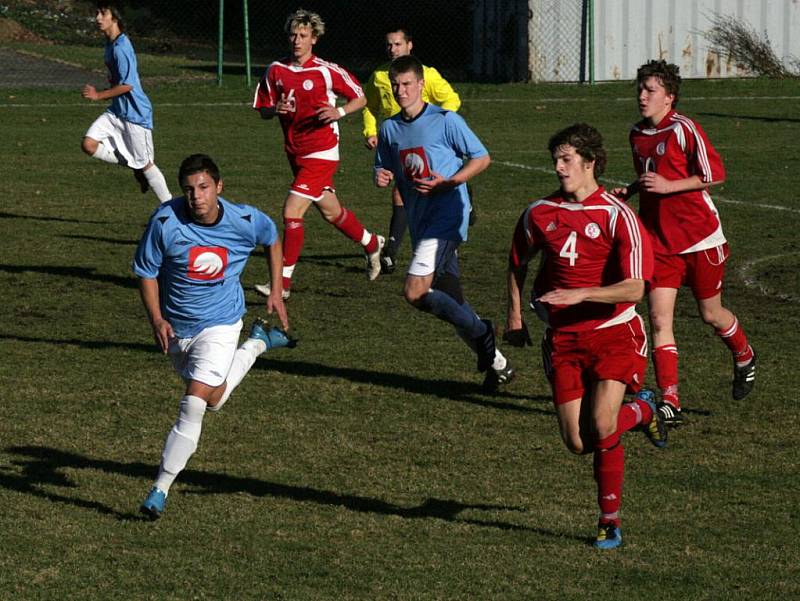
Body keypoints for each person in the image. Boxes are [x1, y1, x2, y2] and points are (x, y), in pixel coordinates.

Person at [505, 123, 666, 549]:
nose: (559, 169)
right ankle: (645, 410)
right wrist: (515, 316)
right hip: (563, 339)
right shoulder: (539, 212)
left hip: (614, 332)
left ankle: (609, 519)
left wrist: (583, 293)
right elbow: (517, 262)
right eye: (555, 161)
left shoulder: (619, 216)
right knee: (578, 443)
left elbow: (636, 287)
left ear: (590, 164)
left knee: (601, 422)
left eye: (567, 160)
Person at [134, 154, 292, 519]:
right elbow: (145, 271)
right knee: (214, 398)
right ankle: (257, 344)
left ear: (219, 187)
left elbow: (271, 238)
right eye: (189, 189)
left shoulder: (244, 220)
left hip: (222, 323)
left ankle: (160, 488)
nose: (196, 197)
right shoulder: (164, 222)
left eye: (204, 187)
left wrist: (276, 288)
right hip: (177, 329)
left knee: (194, 400)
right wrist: (157, 319)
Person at [613, 60, 756, 426]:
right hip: (659, 243)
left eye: (651, 91)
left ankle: (743, 354)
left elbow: (713, 175)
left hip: (700, 238)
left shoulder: (685, 128)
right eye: (640, 89)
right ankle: (670, 402)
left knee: (711, 314)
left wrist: (668, 186)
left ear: (669, 98)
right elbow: (649, 176)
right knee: (660, 320)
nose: (642, 97)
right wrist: (630, 191)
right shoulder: (636, 133)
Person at [374, 55, 512, 391]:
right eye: (396, 85)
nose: (401, 90)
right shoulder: (389, 128)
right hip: (422, 222)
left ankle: (483, 333)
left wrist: (449, 182)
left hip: (448, 217)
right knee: (452, 301)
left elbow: (482, 158)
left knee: (415, 290)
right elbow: (385, 165)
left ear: (421, 85)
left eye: (407, 84)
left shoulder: (446, 120)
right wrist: (380, 173)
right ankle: (499, 365)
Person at [252, 9, 383, 300]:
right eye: (293, 34)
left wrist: (338, 111)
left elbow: (360, 97)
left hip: (323, 151)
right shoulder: (275, 70)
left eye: (303, 35)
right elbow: (262, 109)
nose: (297, 40)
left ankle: (282, 285)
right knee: (331, 211)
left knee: (291, 211)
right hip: (295, 152)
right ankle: (371, 243)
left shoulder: (326, 70)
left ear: (314, 39)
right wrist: (276, 110)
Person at [362, 27, 465, 274]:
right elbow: (369, 105)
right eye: (389, 45)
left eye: (398, 44)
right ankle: (396, 252)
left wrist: (437, 122)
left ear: (410, 46)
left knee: (411, 192)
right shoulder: (379, 76)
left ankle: (396, 251)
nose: (393, 50)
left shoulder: (427, 75)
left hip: (426, 144)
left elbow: (452, 100)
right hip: (396, 142)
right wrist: (370, 131)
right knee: (402, 193)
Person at [80, 2, 172, 203]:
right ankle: (135, 165)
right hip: (117, 111)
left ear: (115, 17)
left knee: (147, 165)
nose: (97, 18)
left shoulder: (121, 48)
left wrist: (98, 95)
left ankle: (171, 208)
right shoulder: (110, 44)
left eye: (103, 13)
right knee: (88, 144)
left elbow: (128, 85)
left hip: (135, 114)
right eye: (97, 13)